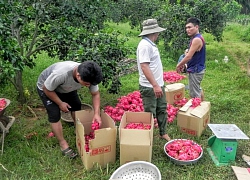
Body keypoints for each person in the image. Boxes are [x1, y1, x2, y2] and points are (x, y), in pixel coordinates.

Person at [36, 61, 103, 158]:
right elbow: (46, 89)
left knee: (76, 106)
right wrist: (60, 103)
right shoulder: (61, 74)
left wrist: (96, 113)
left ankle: (78, 130)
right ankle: (62, 143)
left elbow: (95, 94)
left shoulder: (89, 76)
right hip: (46, 87)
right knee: (54, 113)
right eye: (86, 84)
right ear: (78, 75)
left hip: (66, 87)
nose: (88, 86)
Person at [137, 18, 171, 141]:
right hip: (150, 86)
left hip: (157, 84)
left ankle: (163, 132)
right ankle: (148, 137)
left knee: (162, 109)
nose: (158, 34)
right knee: (150, 113)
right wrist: (155, 85)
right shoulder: (145, 46)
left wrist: (158, 84)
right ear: (154, 33)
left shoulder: (150, 44)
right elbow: (144, 66)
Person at [176, 17, 206, 101]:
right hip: (198, 68)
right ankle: (203, 106)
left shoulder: (196, 39)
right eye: (186, 28)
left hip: (195, 70)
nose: (187, 30)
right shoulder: (198, 37)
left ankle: (198, 112)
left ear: (197, 27)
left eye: (190, 27)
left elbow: (189, 56)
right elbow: (191, 54)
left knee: (194, 94)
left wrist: (179, 65)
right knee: (198, 89)